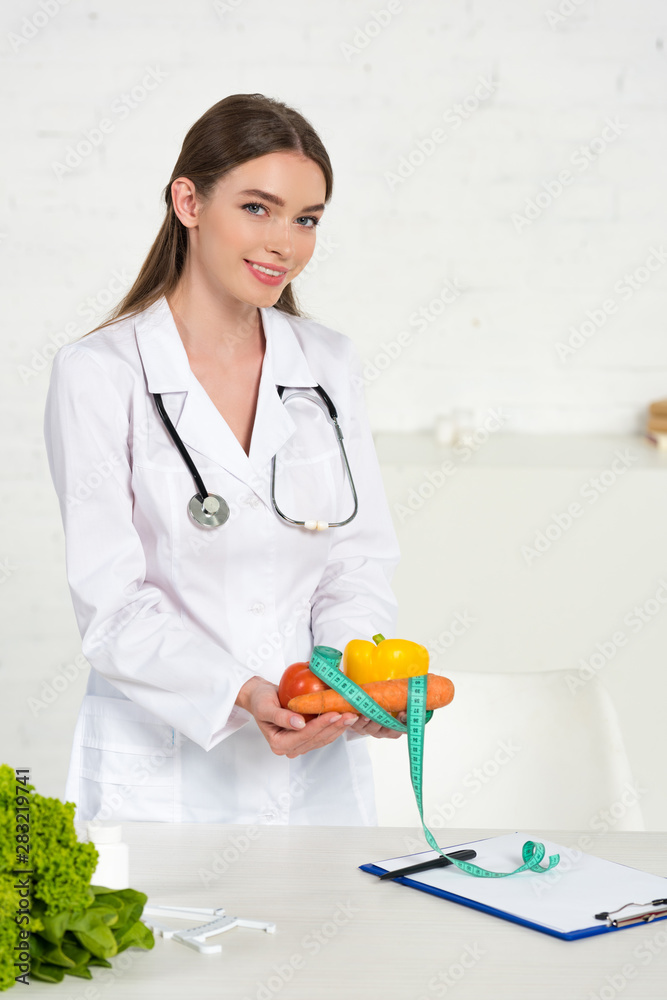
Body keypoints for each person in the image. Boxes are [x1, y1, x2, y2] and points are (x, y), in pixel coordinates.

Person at [43, 93, 405, 826]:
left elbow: (354, 564)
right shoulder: (99, 372)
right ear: (189, 201)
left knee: (334, 936)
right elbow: (112, 605)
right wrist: (242, 691)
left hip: (317, 766)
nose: (285, 243)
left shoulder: (326, 364)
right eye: (257, 208)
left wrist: (344, 684)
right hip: (161, 769)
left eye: (306, 219)